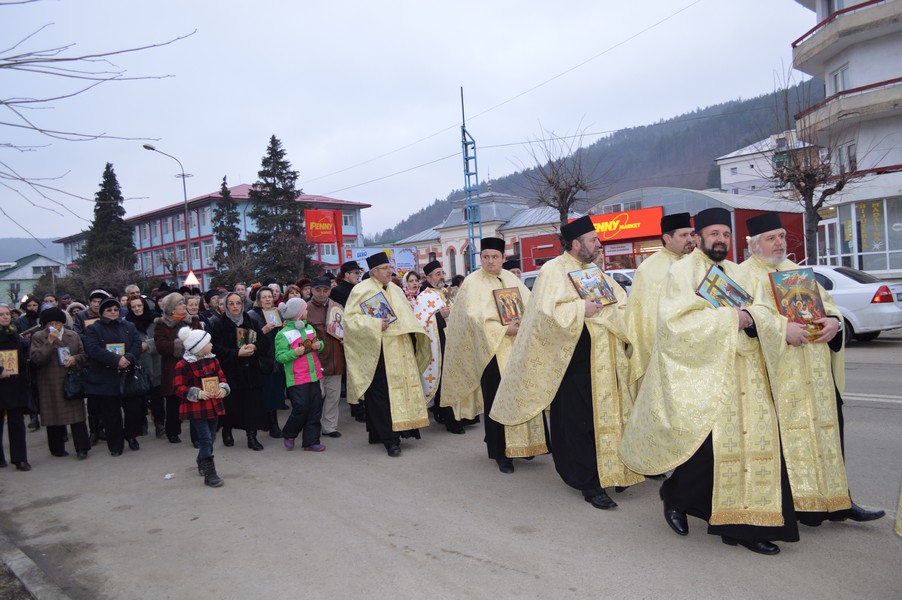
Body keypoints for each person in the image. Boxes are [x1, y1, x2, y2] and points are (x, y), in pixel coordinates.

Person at [619, 207, 799, 555]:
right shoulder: (682, 272)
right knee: (706, 450)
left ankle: (743, 526)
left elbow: (762, 310)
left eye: (726, 234)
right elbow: (674, 324)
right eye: (714, 234)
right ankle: (676, 497)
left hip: (745, 373)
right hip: (703, 374)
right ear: (697, 237)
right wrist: (734, 317)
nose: (721, 240)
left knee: (753, 450)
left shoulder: (736, 272)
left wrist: (754, 318)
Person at [738, 211, 884, 524]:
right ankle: (800, 505)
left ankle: (839, 501)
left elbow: (831, 310)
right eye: (771, 238)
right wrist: (780, 331)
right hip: (778, 377)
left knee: (828, 437)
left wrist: (835, 324)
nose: (779, 243)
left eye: (781, 236)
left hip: (816, 373)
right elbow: (742, 326)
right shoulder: (742, 276)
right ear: (753, 245)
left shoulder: (800, 273)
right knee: (789, 442)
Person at [491, 218, 641, 505]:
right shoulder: (552, 270)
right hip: (571, 360)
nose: (598, 244)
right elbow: (545, 314)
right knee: (578, 423)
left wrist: (613, 310)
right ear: (576, 244)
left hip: (604, 360)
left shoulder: (592, 271)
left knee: (605, 420)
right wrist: (579, 308)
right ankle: (587, 483)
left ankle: (611, 471)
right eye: (593, 239)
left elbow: (619, 301)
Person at [443, 239, 548, 472]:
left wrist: (524, 322)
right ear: (480, 258)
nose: (490, 261)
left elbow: (529, 306)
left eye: (495, 257)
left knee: (521, 395)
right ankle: (501, 453)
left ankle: (525, 445)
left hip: (517, 351)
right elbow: (471, 320)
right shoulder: (471, 283)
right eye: (486, 257)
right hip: (491, 352)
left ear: (502, 257)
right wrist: (503, 330)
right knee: (497, 401)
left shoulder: (511, 279)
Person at [343, 252, 431, 457]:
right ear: (374, 272)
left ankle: (390, 430)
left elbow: (406, 316)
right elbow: (350, 320)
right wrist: (375, 324)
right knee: (381, 395)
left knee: (402, 390)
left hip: (400, 347)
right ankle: (389, 439)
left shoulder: (397, 290)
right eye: (384, 268)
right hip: (378, 349)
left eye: (389, 267)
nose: (389, 271)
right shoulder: (361, 290)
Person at [625, 212, 693, 389]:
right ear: (667, 238)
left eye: (691, 234)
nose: (690, 239)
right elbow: (644, 319)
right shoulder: (648, 270)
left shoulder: (695, 264)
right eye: (684, 235)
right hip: (663, 351)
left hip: (693, 347)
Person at [414, 260, 469, 435]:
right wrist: (438, 316)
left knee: (455, 380)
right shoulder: (423, 297)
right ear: (428, 277)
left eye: (442, 273)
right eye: (437, 274)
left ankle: (453, 414)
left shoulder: (446, 292)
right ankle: (451, 421)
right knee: (446, 383)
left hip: (453, 343)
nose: (442, 276)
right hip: (439, 346)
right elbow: (420, 323)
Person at [83, 297, 143, 457]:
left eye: (116, 309)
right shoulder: (94, 328)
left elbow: (137, 343)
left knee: (132, 410)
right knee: (111, 414)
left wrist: (128, 358)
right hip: (105, 376)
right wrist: (116, 360)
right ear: (102, 312)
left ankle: (131, 436)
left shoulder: (129, 326)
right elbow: (93, 349)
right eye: (109, 310)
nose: (113, 312)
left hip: (127, 374)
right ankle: (115, 445)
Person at [211, 292, 271, 451]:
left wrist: (255, 346)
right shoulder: (218, 324)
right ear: (225, 306)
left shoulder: (251, 321)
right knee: (231, 406)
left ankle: (252, 437)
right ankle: (227, 430)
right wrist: (236, 353)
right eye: (231, 303)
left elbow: (265, 342)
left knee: (252, 406)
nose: (235, 306)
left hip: (251, 372)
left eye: (238, 303)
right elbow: (215, 349)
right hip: (231, 373)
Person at [29, 307, 90, 459]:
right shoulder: (38, 336)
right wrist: (49, 342)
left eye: (57, 323)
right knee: (53, 415)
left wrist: (75, 359)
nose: (55, 326)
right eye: (51, 323)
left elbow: (84, 355)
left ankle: (82, 448)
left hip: (71, 378)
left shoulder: (73, 335)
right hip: (49, 381)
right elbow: (37, 359)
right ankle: (57, 448)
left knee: (77, 416)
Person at [172, 327, 229, 488]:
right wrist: (195, 393)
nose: (211, 345)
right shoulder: (183, 365)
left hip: (213, 404)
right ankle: (210, 473)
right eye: (208, 342)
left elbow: (222, 377)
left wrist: (223, 389)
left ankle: (201, 459)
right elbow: (178, 387)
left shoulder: (213, 360)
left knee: (211, 437)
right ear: (199, 346)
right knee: (205, 438)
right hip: (196, 408)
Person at [275, 298, 326, 452]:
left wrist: (320, 345)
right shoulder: (283, 334)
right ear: (298, 314)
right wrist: (294, 353)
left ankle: (311, 441)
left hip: (314, 375)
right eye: (305, 309)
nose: (307, 311)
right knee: (301, 408)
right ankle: (289, 433)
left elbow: (319, 344)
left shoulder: (309, 328)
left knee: (315, 408)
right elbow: (280, 357)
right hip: (297, 378)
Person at [154, 293, 202, 443]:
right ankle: (172, 432)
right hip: (173, 368)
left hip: (193, 367)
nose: (184, 306)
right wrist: (181, 344)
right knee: (173, 402)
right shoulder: (161, 324)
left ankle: (196, 436)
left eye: (183, 303)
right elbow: (161, 346)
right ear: (171, 309)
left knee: (195, 400)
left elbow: (201, 337)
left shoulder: (193, 321)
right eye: (180, 304)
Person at [306, 277, 346, 438]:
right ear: (312, 290)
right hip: (314, 359)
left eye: (326, 290)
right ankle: (312, 425)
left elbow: (346, 328)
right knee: (316, 396)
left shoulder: (337, 307)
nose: (322, 294)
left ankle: (329, 426)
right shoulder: (305, 309)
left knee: (333, 396)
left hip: (336, 358)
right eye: (318, 290)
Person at [248, 286, 286, 439]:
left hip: (277, 358)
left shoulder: (278, 313)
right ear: (258, 300)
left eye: (269, 297)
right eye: (264, 297)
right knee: (265, 394)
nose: (268, 299)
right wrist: (262, 331)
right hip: (262, 359)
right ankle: (271, 425)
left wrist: (283, 327)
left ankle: (272, 424)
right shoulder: (251, 315)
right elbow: (247, 338)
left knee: (276, 393)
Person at [330, 260, 365, 422]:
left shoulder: (360, 289)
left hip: (362, 333)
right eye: (356, 273)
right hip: (348, 336)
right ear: (346, 275)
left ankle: (363, 404)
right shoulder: (338, 291)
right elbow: (339, 315)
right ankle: (357, 407)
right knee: (353, 373)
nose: (358, 276)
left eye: (359, 273)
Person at [0, 303, 31, 470]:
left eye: (7, 314)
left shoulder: (14, 333)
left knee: (17, 424)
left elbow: (22, 353)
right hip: (1, 383)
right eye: (1, 315)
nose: (5, 317)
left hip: (15, 385)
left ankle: (20, 459)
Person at [126, 296, 161, 442]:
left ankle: (160, 423)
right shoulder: (126, 323)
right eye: (133, 307)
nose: (137, 309)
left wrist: (149, 344)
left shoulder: (155, 320)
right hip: (139, 364)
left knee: (157, 396)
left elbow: (161, 338)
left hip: (156, 362)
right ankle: (142, 423)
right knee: (140, 396)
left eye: (139, 306)